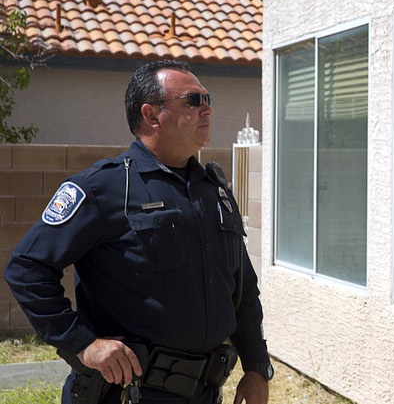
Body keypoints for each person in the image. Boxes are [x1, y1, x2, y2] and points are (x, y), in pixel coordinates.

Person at [3, 60, 273, 404]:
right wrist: (82, 343)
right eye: (194, 100)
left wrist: (256, 367)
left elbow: (243, 290)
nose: (208, 109)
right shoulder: (105, 187)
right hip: (127, 394)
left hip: (204, 393)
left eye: (208, 98)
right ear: (152, 115)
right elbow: (26, 268)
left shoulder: (214, 192)